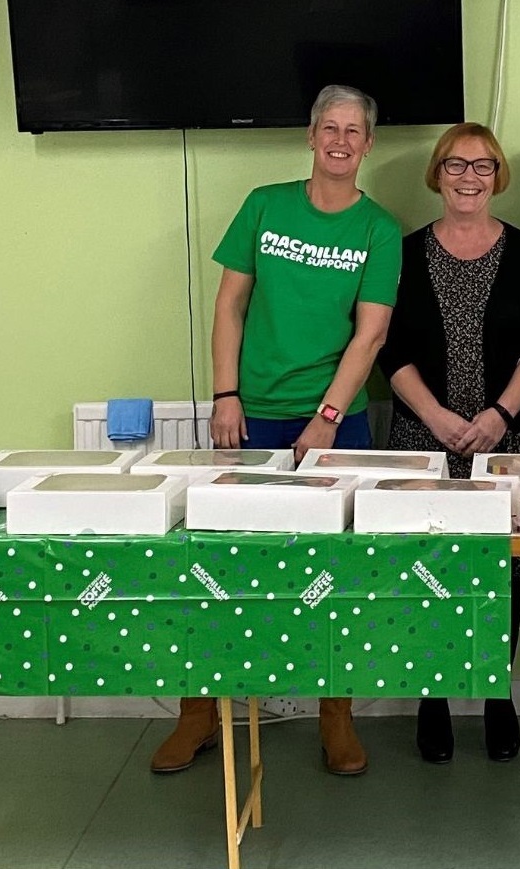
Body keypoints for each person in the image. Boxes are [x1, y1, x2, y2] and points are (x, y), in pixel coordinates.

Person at [152, 85, 403, 777]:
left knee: (339, 574)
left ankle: (336, 716)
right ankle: (199, 712)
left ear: (369, 144)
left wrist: (325, 417)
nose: (341, 141)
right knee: (217, 566)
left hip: (336, 421)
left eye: (355, 130)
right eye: (330, 127)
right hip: (250, 414)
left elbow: (371, 331)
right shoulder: (265, 205)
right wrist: (226, 393)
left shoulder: (378, 229)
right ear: (311, 135)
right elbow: (230, 303)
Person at [377, 122, 520, 765]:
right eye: (456, 165)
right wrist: (438, 418)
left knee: (500, 570)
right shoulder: (403, 252)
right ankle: (434, 695)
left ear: (498, 175)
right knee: (430, 568)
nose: (469, 178)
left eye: (483, 166)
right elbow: (390, 351)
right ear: (437, 174)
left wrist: (500, 415)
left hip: (506, 437)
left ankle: (495, 693)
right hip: (423, 439)